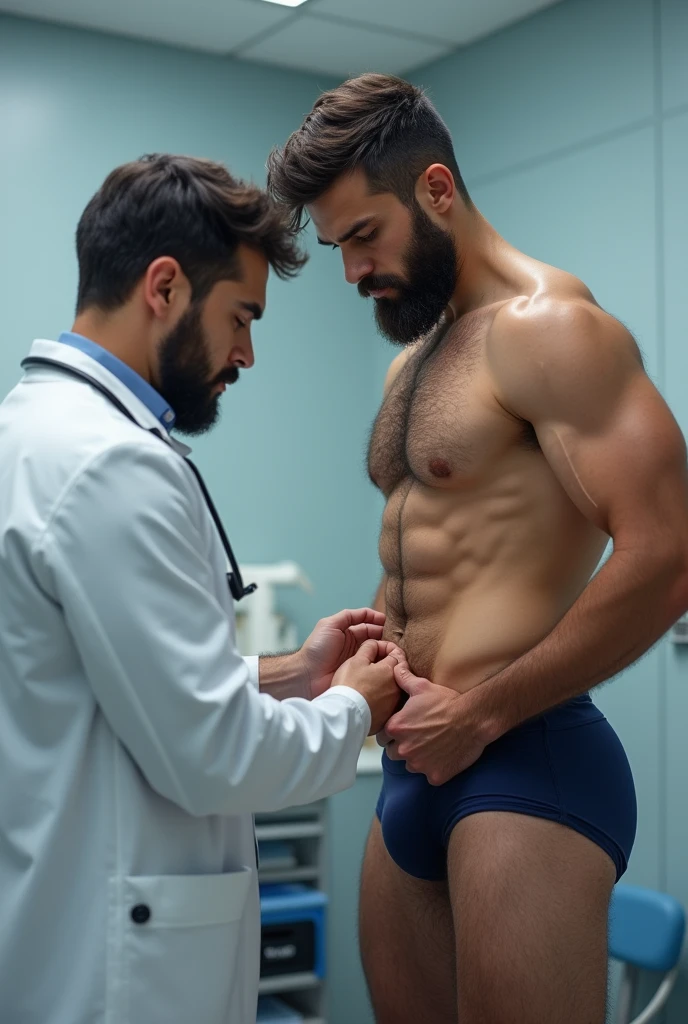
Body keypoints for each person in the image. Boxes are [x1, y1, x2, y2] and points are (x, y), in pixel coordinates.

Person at [268, 74, 688, 1024]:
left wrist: (485, 714)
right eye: (337, 248)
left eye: (363, 237)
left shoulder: (553, 330)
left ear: (437, 190)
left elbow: (667, 555)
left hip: (522, 754)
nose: (351, 272)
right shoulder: (411, 362)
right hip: (415, 768)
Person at [0, 154, 405, 1024]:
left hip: (55, 927)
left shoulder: (29, 433)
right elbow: (212, 755)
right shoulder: (112, 466)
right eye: (241, 316)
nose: (247, 354)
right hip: (119, 972)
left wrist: (293, 672)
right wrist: (356, 711)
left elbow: (102, 686)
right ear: (165, 287)